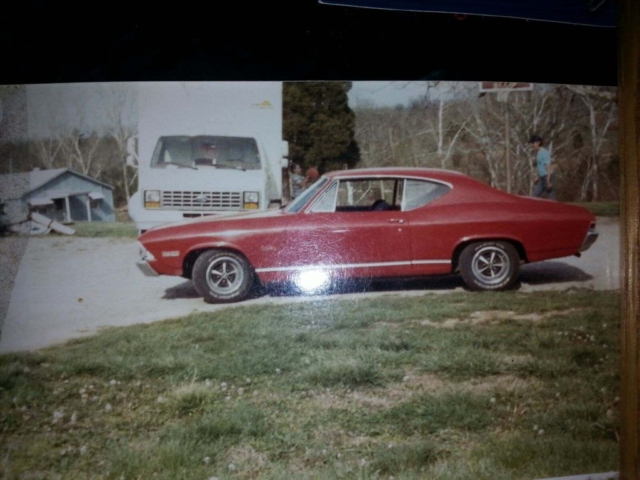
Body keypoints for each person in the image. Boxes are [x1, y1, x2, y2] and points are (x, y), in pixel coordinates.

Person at [529, 134, 556, 200]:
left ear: (538, 142)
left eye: (533, 143)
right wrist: (537, 176)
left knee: (551, 198)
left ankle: (554, 209)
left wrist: (548, 181)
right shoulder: (538, 153)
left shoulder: (545, 152)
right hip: (542, 178)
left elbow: (548, 167)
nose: (532, 145)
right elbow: (540, 166)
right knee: (534, 195)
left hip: (548, 177)